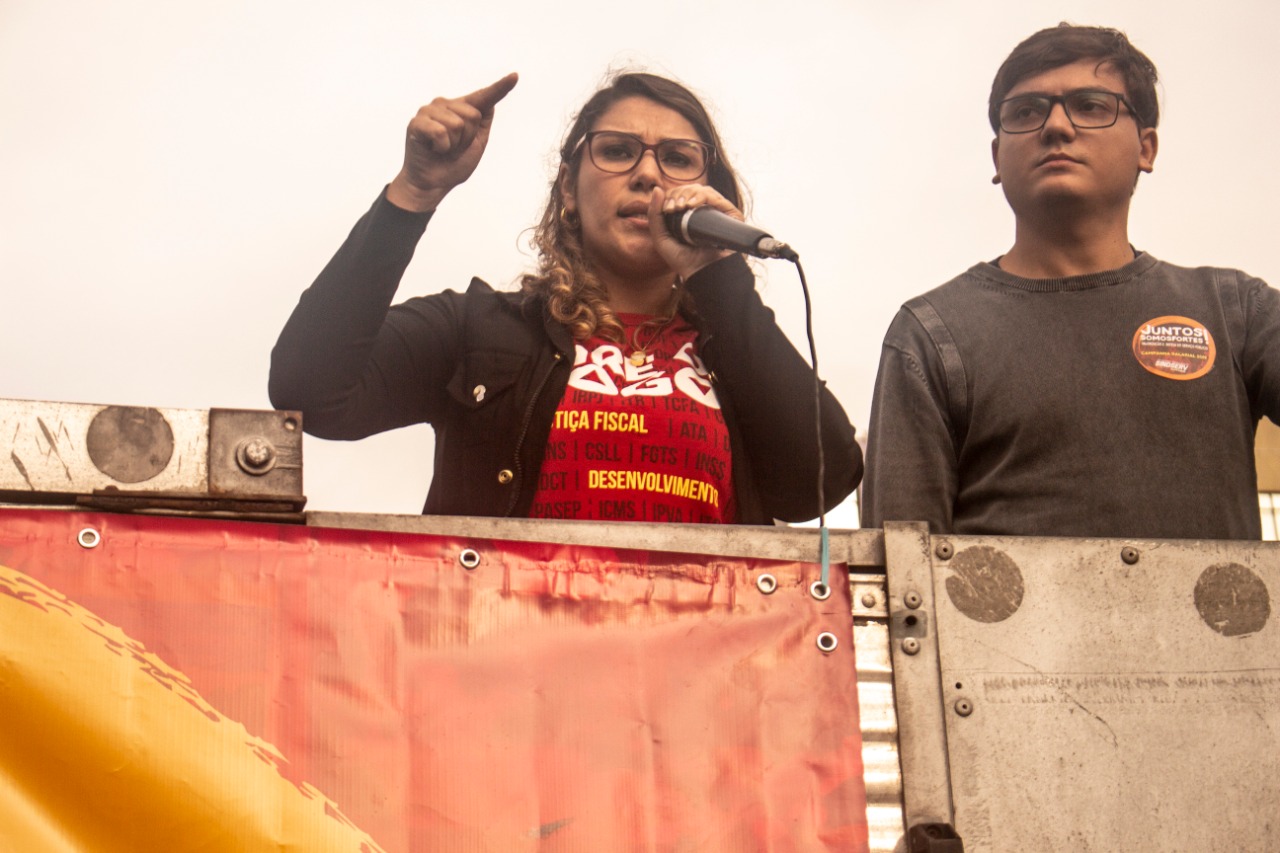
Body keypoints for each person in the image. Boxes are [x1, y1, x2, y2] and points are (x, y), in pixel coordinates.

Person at [269, 71, 861, 524]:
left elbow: (822, 480)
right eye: (617, 150)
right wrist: (414, 193)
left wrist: (722, 277)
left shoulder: (736, 355)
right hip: (504, 668)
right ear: (569, 193)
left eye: (678, 159)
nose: (649, 175)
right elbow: (311, 391)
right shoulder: (479, 329)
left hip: (701, 676)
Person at [863, 23, 1280, 539]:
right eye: (1026, 112)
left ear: (1146, 148)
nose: (1055, 126)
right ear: (997, 158)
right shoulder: (929, 335)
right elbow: (901, 579)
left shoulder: (1235, 312)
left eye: (1090, 105)